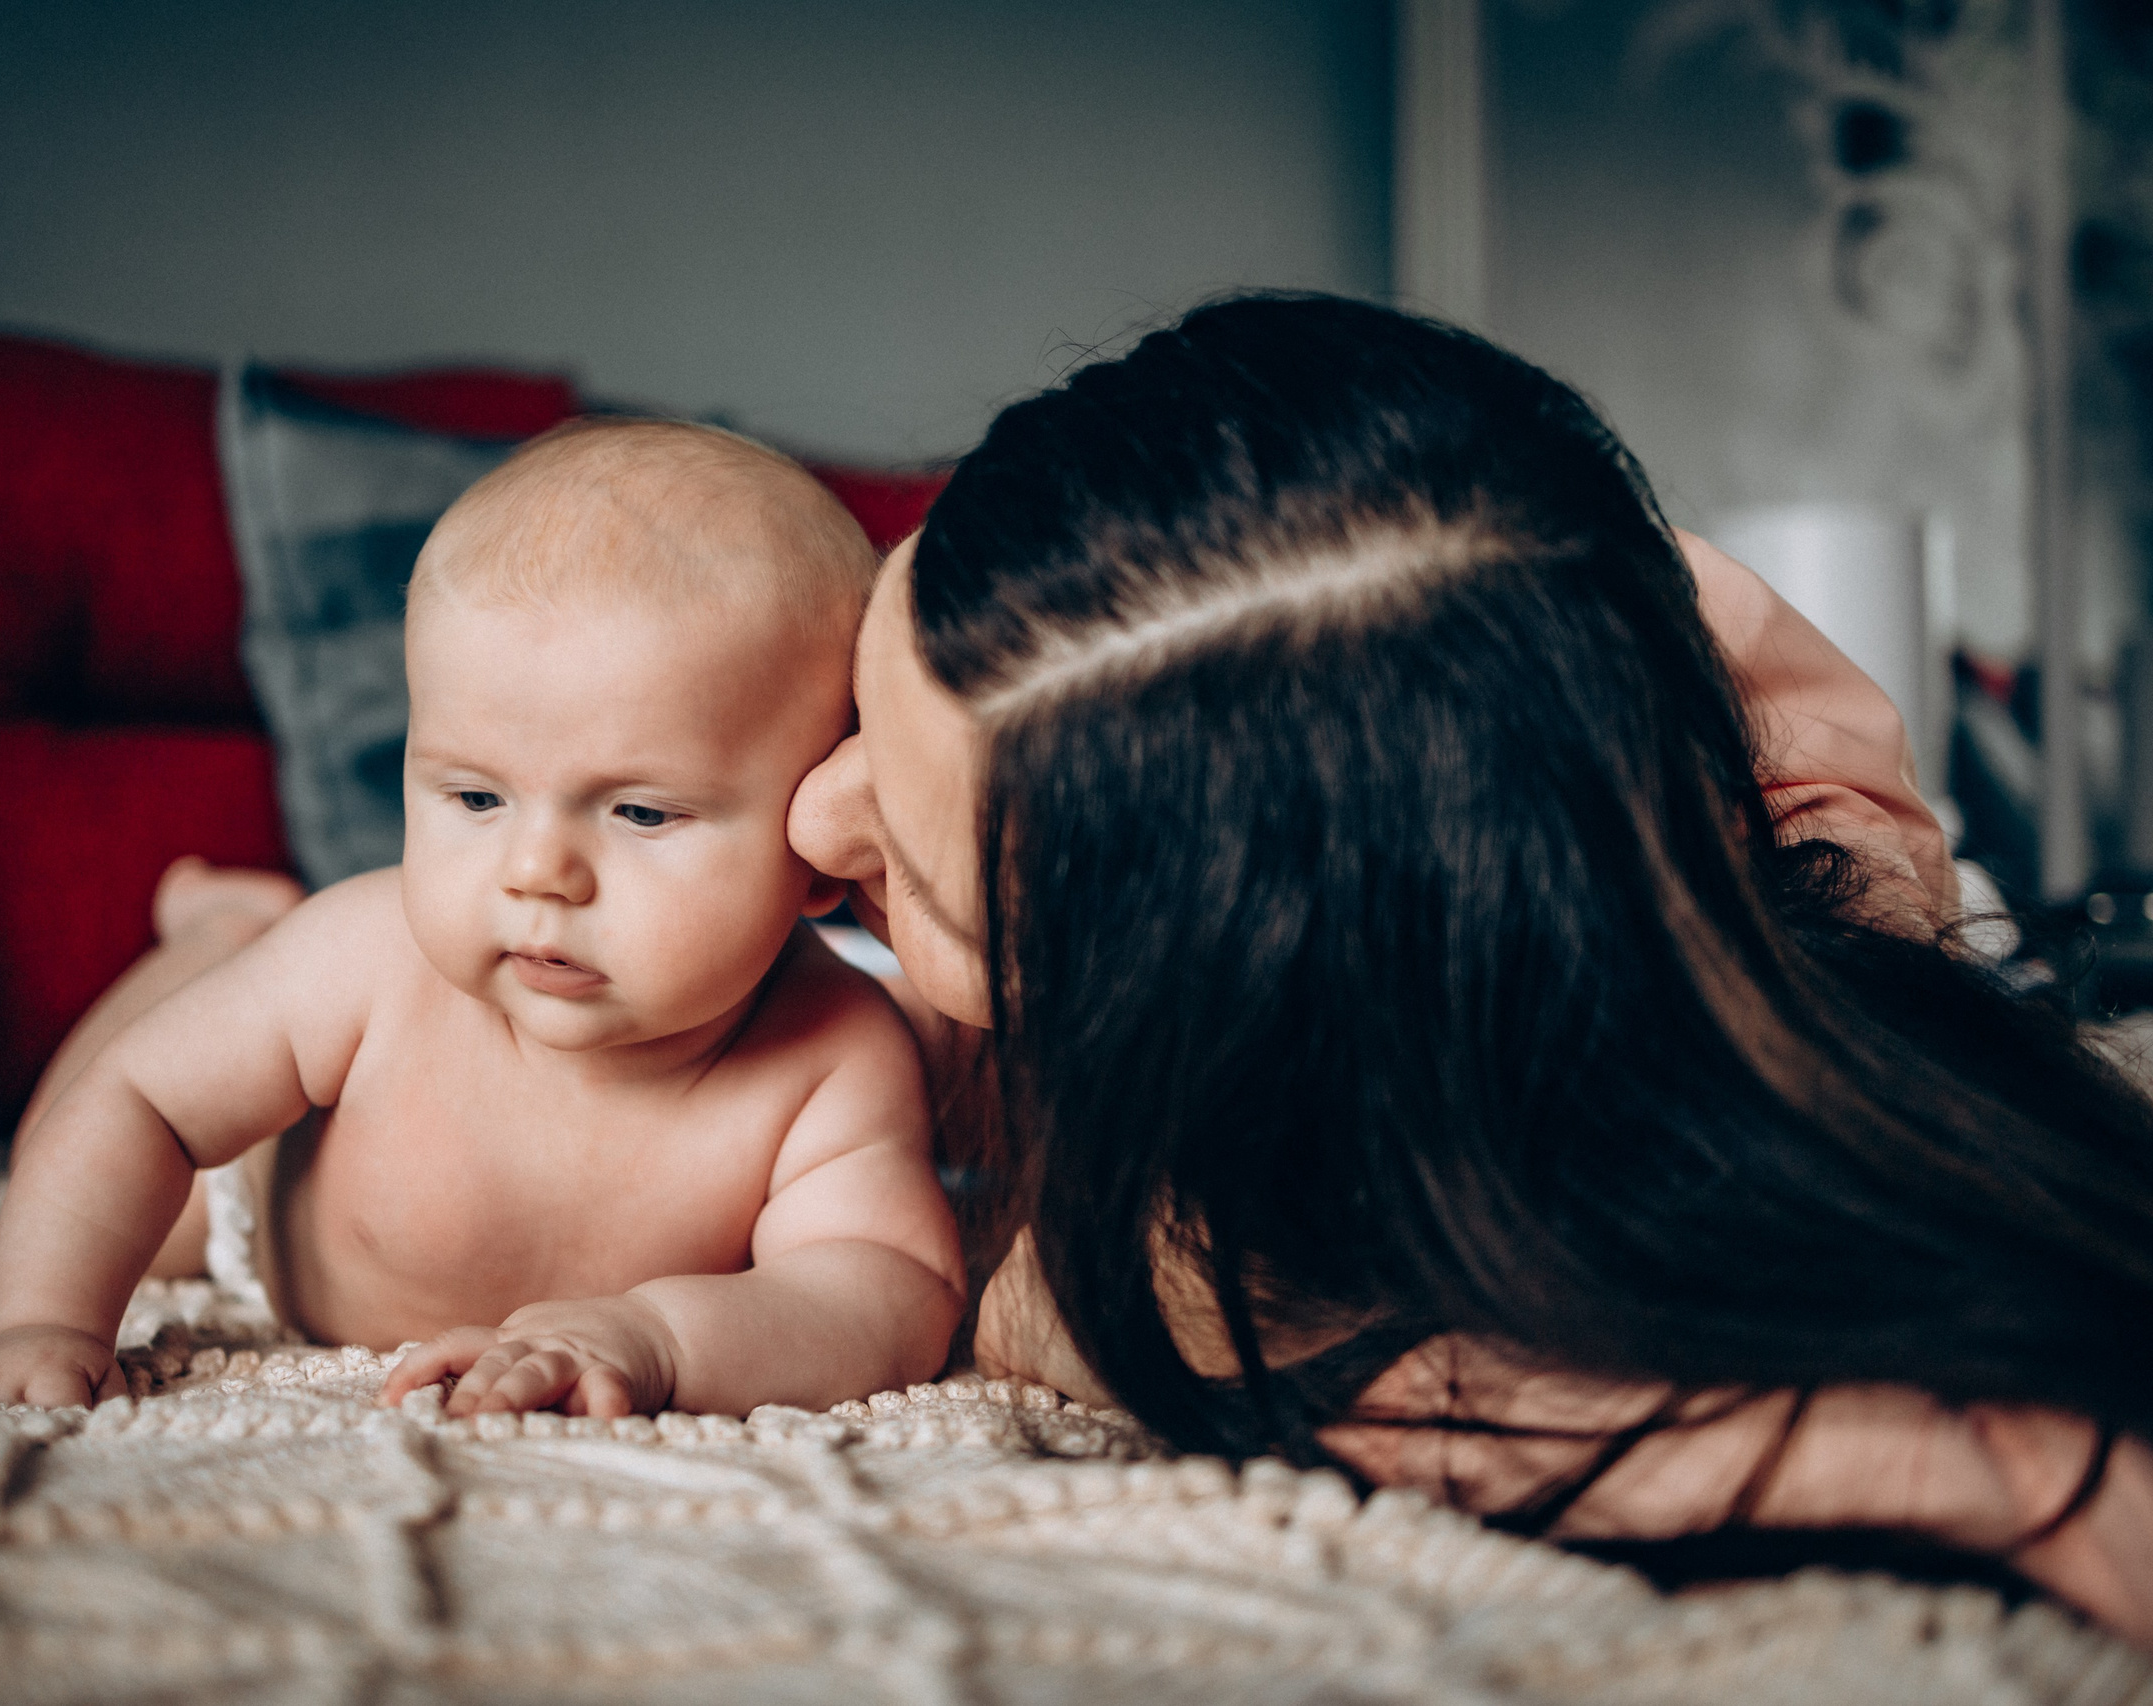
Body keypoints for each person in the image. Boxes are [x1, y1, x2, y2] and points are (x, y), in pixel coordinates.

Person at [782, 294, 2153, 1642]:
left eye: (919, 881)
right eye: (857, 699)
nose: (805, 821)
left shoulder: (1281, 1268)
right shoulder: (1465, 567)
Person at [0, 419, 963, 1419]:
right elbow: (139, 1100)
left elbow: (885, 1288)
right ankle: (220, 934)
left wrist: (655, 1336)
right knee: (94, 1174)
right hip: (254, 1191)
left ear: (820, 849)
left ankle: (245, 927)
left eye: (641, 812)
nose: (536, 872)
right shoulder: (363, 958)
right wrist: (37, 1320)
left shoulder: (834, 1052)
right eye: (476, 796)